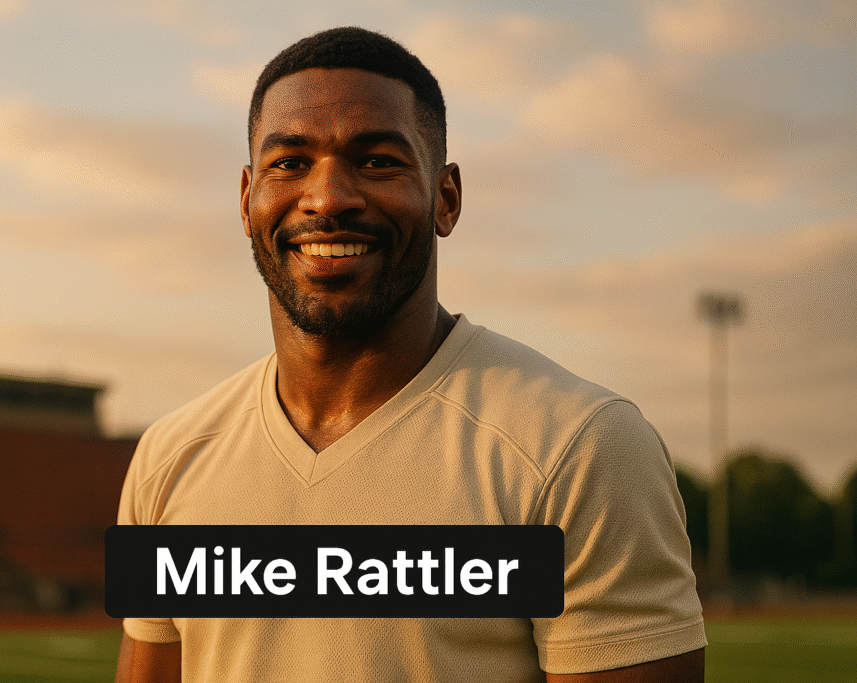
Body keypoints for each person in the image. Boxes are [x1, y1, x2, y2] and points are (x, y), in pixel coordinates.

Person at [114, 27, 706, 683]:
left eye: (377, 161)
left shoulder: (577, 444)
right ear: (247, 199)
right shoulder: (170, 457)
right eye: (289, 162)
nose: (329, 197)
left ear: (446, 199)